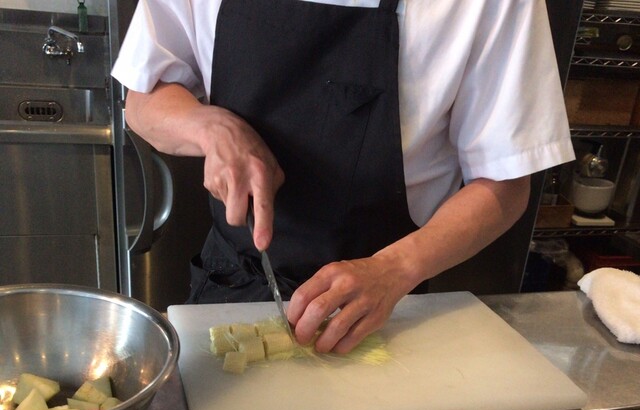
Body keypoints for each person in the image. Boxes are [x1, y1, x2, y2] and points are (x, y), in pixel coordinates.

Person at [112, 0, 574, 354]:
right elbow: (144, 98)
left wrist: (394, 270)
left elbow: (505, 184)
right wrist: (211, 127)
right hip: (230, 288)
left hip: (384, 310)